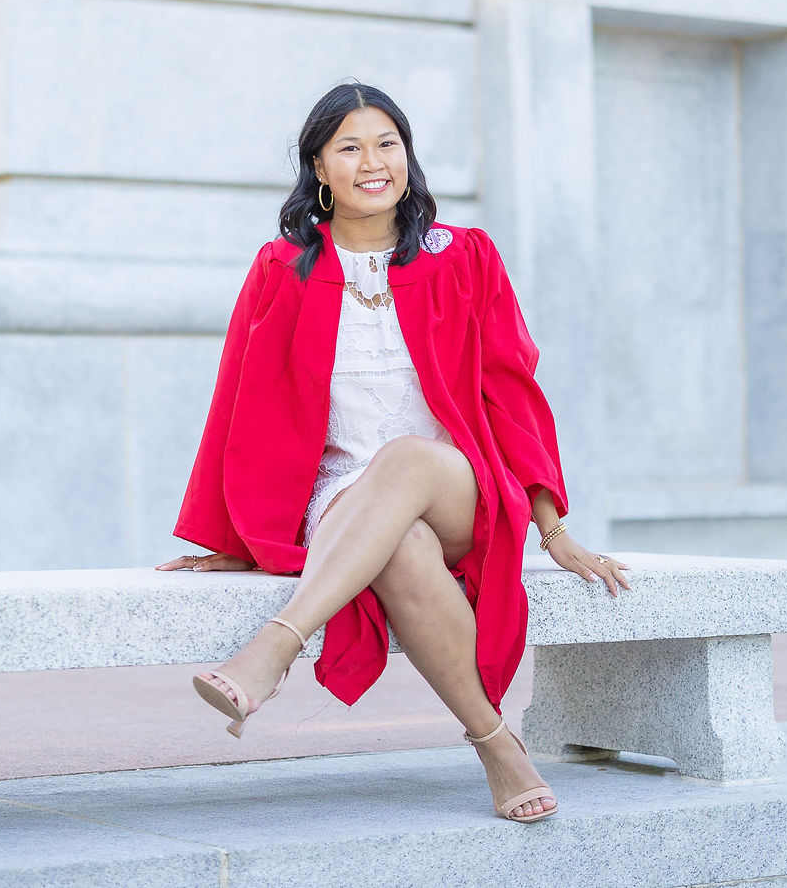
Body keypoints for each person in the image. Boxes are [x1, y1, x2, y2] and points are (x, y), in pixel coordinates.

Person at [156, 80, 632, 824]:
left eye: (387, 143)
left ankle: (275, 648)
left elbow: (513, 391)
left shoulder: (464, 257)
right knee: (399, 542)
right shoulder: (283, 269)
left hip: (454, 482)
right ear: (318, 167)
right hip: (343, 499)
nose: (372, 162)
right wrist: (229, 536)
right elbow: (236, 405)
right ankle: (498, 746)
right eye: (349, 146)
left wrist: (554, 528)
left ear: (407, 156)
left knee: (408, 459)